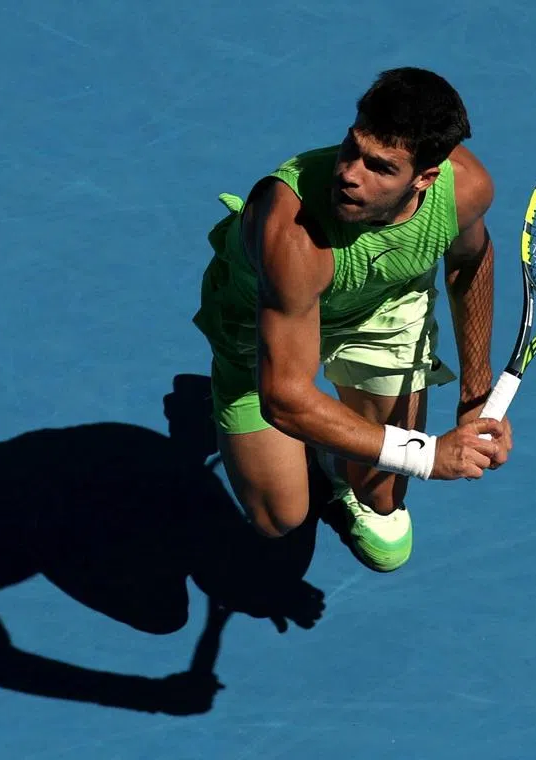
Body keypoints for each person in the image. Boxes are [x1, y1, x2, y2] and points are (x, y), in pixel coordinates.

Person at [191, 67, 513, 573]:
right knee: (280, 517)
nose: (350, 173)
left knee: (382, 500)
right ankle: (276, 413)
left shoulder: (465, 190)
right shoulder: (293, 229)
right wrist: (427, 456)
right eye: (352, 147)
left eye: (381, 167)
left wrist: (476, 396)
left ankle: (338, 453)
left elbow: (469, 263)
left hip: (382, 310)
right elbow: (284, 399)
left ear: (426, 177)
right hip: (263, 324)